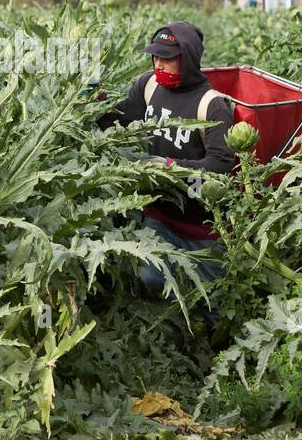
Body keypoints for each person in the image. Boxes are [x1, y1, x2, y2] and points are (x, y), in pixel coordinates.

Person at [98, 21, 237, 296]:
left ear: (187, 59)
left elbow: (221, 165)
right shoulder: (148, 86)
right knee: (151, 278)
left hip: (202, 226)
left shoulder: (212, 105)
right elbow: (118, 124)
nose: (159, 64)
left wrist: (170, 168)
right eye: (156, 56)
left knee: (211, 301)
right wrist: (95, 103)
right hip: (159, 213)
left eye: (168, 58)